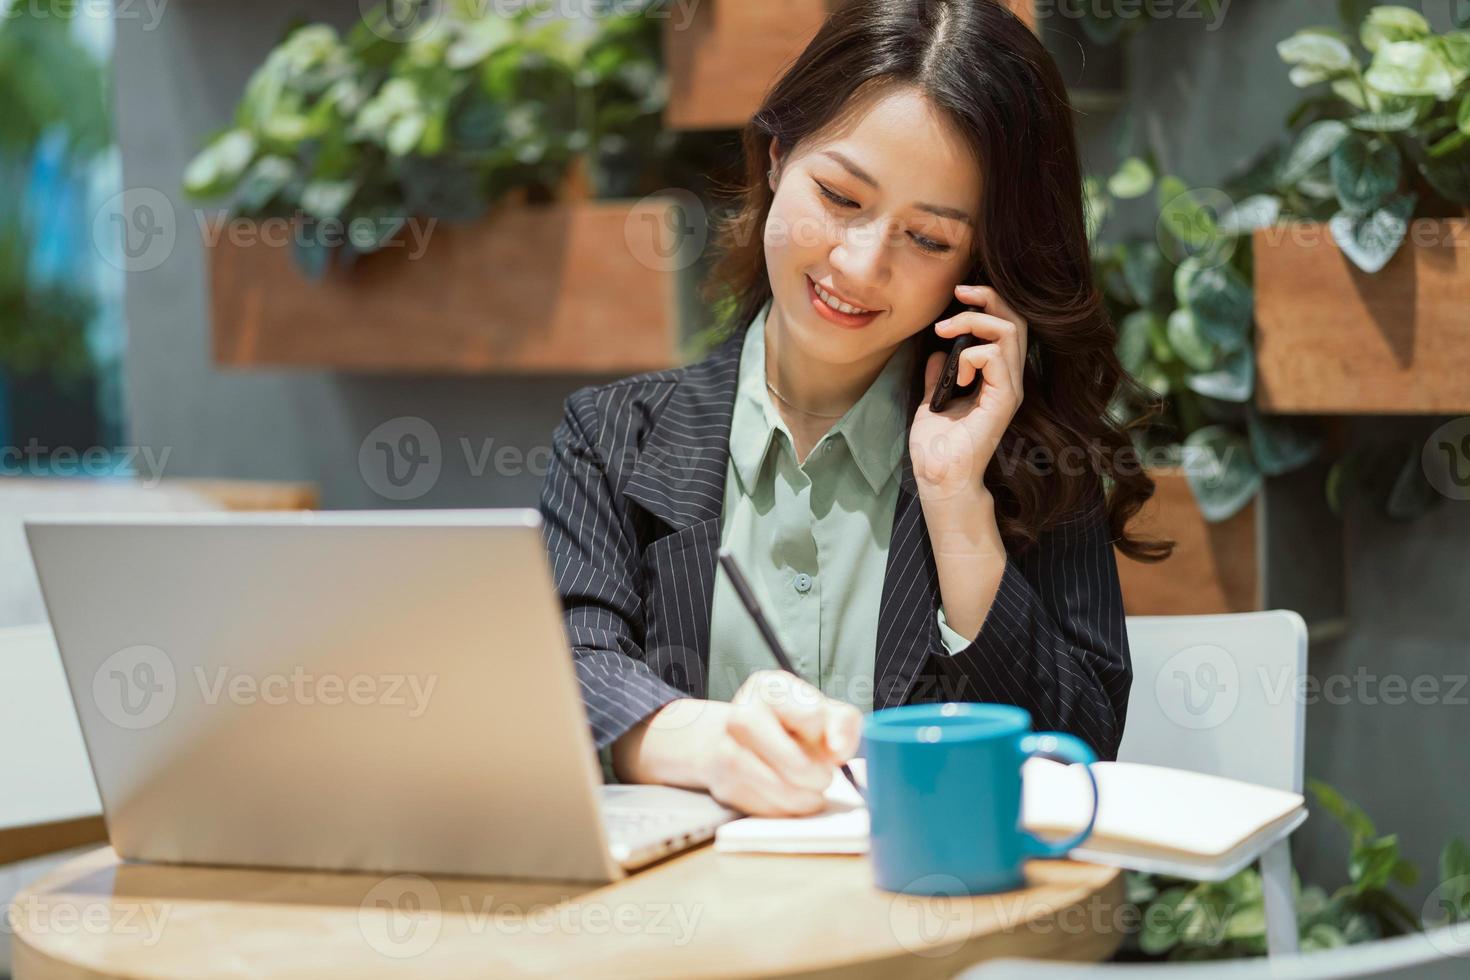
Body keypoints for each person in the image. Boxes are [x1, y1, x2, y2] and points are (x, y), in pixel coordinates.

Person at [538, 0, 1170, 817]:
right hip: (695, 923)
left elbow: (1077, 751)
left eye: (930, 240)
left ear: (981, 264)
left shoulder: (1032, 456)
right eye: (840, 197)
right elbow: (568, 669)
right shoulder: (612, 437)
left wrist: (956, 503)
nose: (862, 266)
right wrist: (709, 742)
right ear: (776, 157)